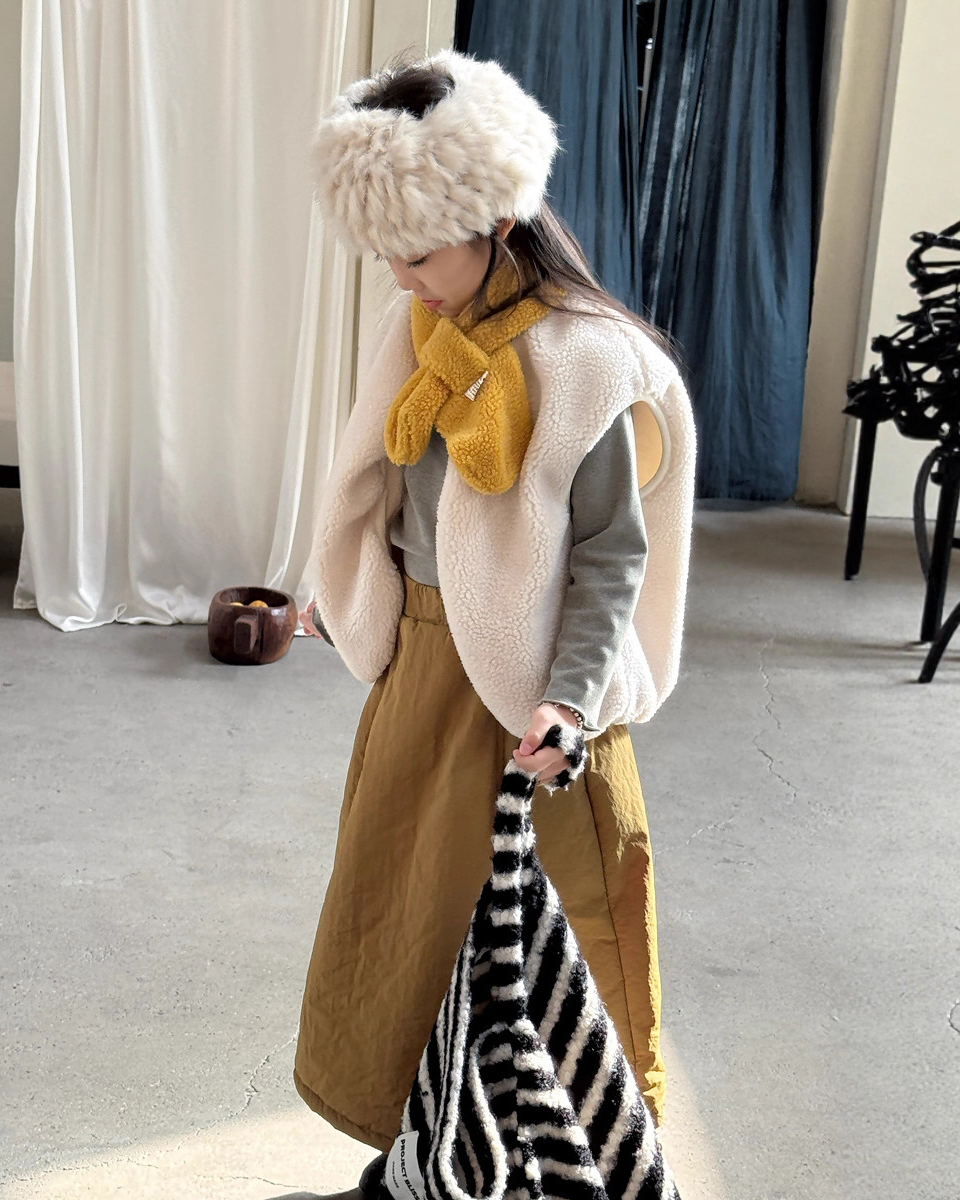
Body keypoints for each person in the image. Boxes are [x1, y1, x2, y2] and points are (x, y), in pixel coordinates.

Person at [291, 47, 696, 1200]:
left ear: (497, 218)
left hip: (531, 701)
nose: (402, 276)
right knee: (409, 931)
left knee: (554, 951)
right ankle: (426, 1162)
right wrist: (353, 585)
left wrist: (568, 697)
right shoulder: (416, 330)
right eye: (387, 253)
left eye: (419, 252)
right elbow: (383, 490)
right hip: (426, 679)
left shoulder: (585, 361)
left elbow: (614, 554)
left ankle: (563, 1164)